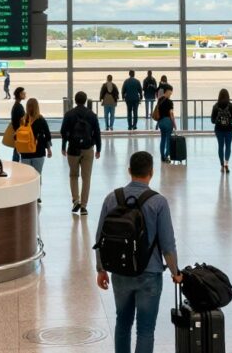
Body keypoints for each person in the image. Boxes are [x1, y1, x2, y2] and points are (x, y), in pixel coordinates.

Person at [95, 151, 181, 353]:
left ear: (129, 171)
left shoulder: (111, 198)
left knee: (122, 323)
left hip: (120, 272)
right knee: (145, 329)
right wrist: (175, 272)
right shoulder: (158, 202)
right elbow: (168, 244)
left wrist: (101, 269)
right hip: (149, 274)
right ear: (151, 172)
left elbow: (100, 238)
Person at [60, 91, 101, 216]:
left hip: (73, 149)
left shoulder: (69, 114)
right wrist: (98, 149)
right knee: (86, 177)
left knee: (73, 175)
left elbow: (63, 132)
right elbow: (97, 133)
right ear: (85, 100)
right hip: (88, 149)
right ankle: (84, 206)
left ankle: (75, 200)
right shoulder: (92, 115)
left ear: (75, 101)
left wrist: (63, 146)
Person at [18, 98, 52, 200]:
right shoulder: (41, 120)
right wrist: (49, 149)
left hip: (25, 153)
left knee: (26, 176)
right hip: (39, 152)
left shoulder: (23, 120)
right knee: (37, 174)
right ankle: (37, 195)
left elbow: (18, 135)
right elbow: (48, 136)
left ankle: (28, 195)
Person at [210, 89, 232, 174]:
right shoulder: (231, 106)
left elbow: (212, 121)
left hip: (219, 129)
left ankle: (221, 165)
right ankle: (226, 163)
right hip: (229, 129)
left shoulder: (215, 106)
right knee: (228, 146)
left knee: (220, 146)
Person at [156, 86, 176, 163]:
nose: (171, 94)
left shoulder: (159, 101)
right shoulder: (170, 102)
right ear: (167, 91)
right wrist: (174, 124)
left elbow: (158, 112)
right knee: (168, 140)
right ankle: (166, 156)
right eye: (170, 92)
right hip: (168, 122)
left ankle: (162, 157)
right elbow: (171, 114)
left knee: (163, 139)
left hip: (161, 122)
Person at [10, 87, 27, 160]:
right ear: (19, 94)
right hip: (19, 131)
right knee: (17, 150)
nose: (25, 94)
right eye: (23, 93)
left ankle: (15, 163)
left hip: (17, 131)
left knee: (16, 149)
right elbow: (22, 120)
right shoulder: (18, 107)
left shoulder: (16, 105)